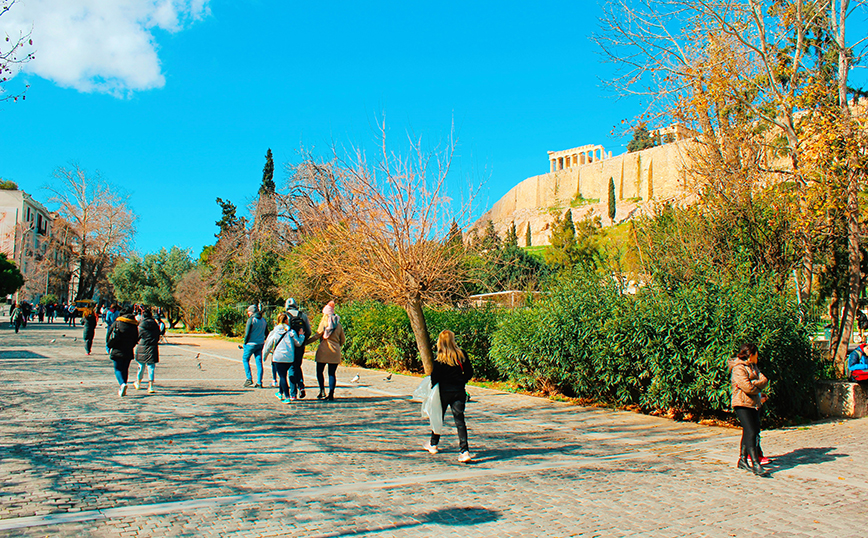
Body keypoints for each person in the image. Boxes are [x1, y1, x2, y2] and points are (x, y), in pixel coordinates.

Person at [424, 330, 475, 463]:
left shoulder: (439, 358)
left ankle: (433, 444)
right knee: (459, 420)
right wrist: (462, 380)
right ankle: (464, 450)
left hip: (443, 392)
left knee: (438, 417)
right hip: (458, 390)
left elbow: (435, 377)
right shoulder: (461, 355)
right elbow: (470, 372)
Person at [730, 342, 770, 477]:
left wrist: (754, 384)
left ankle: (742, 459)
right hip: (742, 403)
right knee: (751, 431)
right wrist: (756, 386)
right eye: (756, 354)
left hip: (753, 403)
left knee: (748, 432)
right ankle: (755, 463)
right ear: (751, 354)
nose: (758, 357)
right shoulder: (738, 368)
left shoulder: (753, 367)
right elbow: (747, 387)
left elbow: (764, 380)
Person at [263, 312, 306, 402]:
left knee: (282, 377)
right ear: (286, 321)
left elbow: (268, 345)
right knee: (291, 375)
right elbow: (298, 343)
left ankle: (286, 396)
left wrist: (265, 356)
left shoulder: (274, 332)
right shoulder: (291, 332)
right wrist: (301, 335)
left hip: (278, 357)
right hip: (289, 357)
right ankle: (289, 394)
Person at [307, 301, 345, 401]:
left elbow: (317, 335)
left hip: (324, 350)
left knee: (319, 371)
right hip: (335, 351)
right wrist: (337, 345)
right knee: (332, 374)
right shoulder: (339, 325)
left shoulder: (324, 323)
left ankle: (322, 390)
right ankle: (331, 394)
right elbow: (343, 340)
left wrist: (305, 342)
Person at [106, 308, 139, 397]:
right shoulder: (134, 325)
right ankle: (123, 386)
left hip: (117, 349)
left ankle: (122, 384)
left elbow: (109, 334)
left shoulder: (117, 323)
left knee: (118, 369)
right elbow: (136, 338)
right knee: (125, 369)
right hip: (128, 350)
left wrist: (108, 345)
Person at [285, 298, 311, 398]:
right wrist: (303, 340)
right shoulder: (302, 315)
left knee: (291, 367)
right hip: (300, 345)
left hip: (289, 346)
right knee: (297, 366)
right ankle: (301, 386)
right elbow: (308, 331)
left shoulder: (285, 316)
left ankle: (293, 393)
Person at [134, 307, 161, 394]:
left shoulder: (141, 325)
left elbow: (137, 336)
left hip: (142, 346)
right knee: (151, 367)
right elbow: (158, 336)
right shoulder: (155, 325)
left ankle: (138, 382)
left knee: (141, 366)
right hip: (152, 347)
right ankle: (151, 386)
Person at [241, 305, 268, 388]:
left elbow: (247, 333)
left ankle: (249, 378)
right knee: (259, 362)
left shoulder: (251, 320)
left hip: (250, 344)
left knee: (245, 359)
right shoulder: (263, 320)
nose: (248, 313)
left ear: (251, 312)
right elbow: (267, 333)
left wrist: (245, 342)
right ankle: (259, 382)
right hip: (260, 343)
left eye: (248, 311)